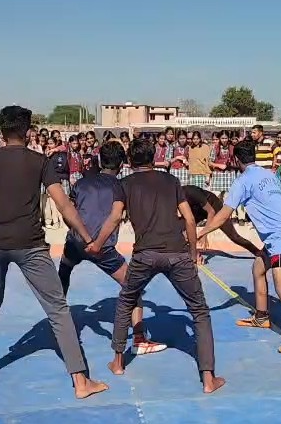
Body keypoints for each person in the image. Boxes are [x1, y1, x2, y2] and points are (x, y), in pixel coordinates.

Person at [0, 105, 108, 399]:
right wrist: (87, 236)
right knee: (57, 308)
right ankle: (80, 382)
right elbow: (63, 205)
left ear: (1, 131)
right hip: (30, 244)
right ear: (27, 132)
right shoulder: (40, 161)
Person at [91, 138, 225, 394]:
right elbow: (189, 219)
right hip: (177, 252)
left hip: (145, 254)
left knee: (126, 301)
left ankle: (118, 362)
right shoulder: (171, 181)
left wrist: (97, 243)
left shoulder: (124, 185)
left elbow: (115, 217)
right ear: (154, 157)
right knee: (199, 311)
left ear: (130, 161)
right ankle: (209, 378)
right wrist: (193, 253)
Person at [198, 140, 281, 356]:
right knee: (258, 268)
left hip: (280, 239)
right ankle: (262, 316)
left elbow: (223, 215)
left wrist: (200, 233)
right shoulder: (268, 174)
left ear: (236, 159)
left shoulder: (242, 181)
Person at [58, 141, 167, 355]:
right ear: (122, 164)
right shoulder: (120, 186)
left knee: (63, 274)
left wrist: (77, 232)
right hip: (102, 247)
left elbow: (67, 212)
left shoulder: (81, 183)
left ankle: (58, 322)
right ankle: (139, 339)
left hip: (76, 241)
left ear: (100, 161)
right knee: (133, 287)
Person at [181, 185, 262, 260]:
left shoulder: (192, 192)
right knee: (182, 230)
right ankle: (193, 254)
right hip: (198, 210)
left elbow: (211, 212)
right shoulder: (176, 197)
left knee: (234, 237)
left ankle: (259, 253)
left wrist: (204, 235)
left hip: (214, 207)